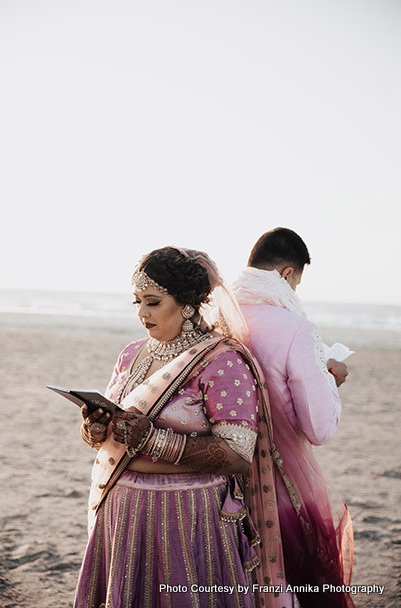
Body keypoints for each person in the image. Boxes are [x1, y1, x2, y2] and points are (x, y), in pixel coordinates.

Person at [74, 246, 289, 608]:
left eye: (153, 302)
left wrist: (154, 439)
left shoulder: (222, 361)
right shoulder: (132, 354)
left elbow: (237, 455)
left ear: (187, 304)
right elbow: (114, 436)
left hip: (187, 516)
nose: (142, 313)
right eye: (137, 302)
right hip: (124, 510)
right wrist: (95, 429)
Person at [233, 228, 355, 608]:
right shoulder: (297, 329)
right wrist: (331, 381)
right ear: (286, 275)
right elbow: (319, 429)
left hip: (218, 480)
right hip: (279, 484)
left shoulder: (215, 313)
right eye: (297, 284)